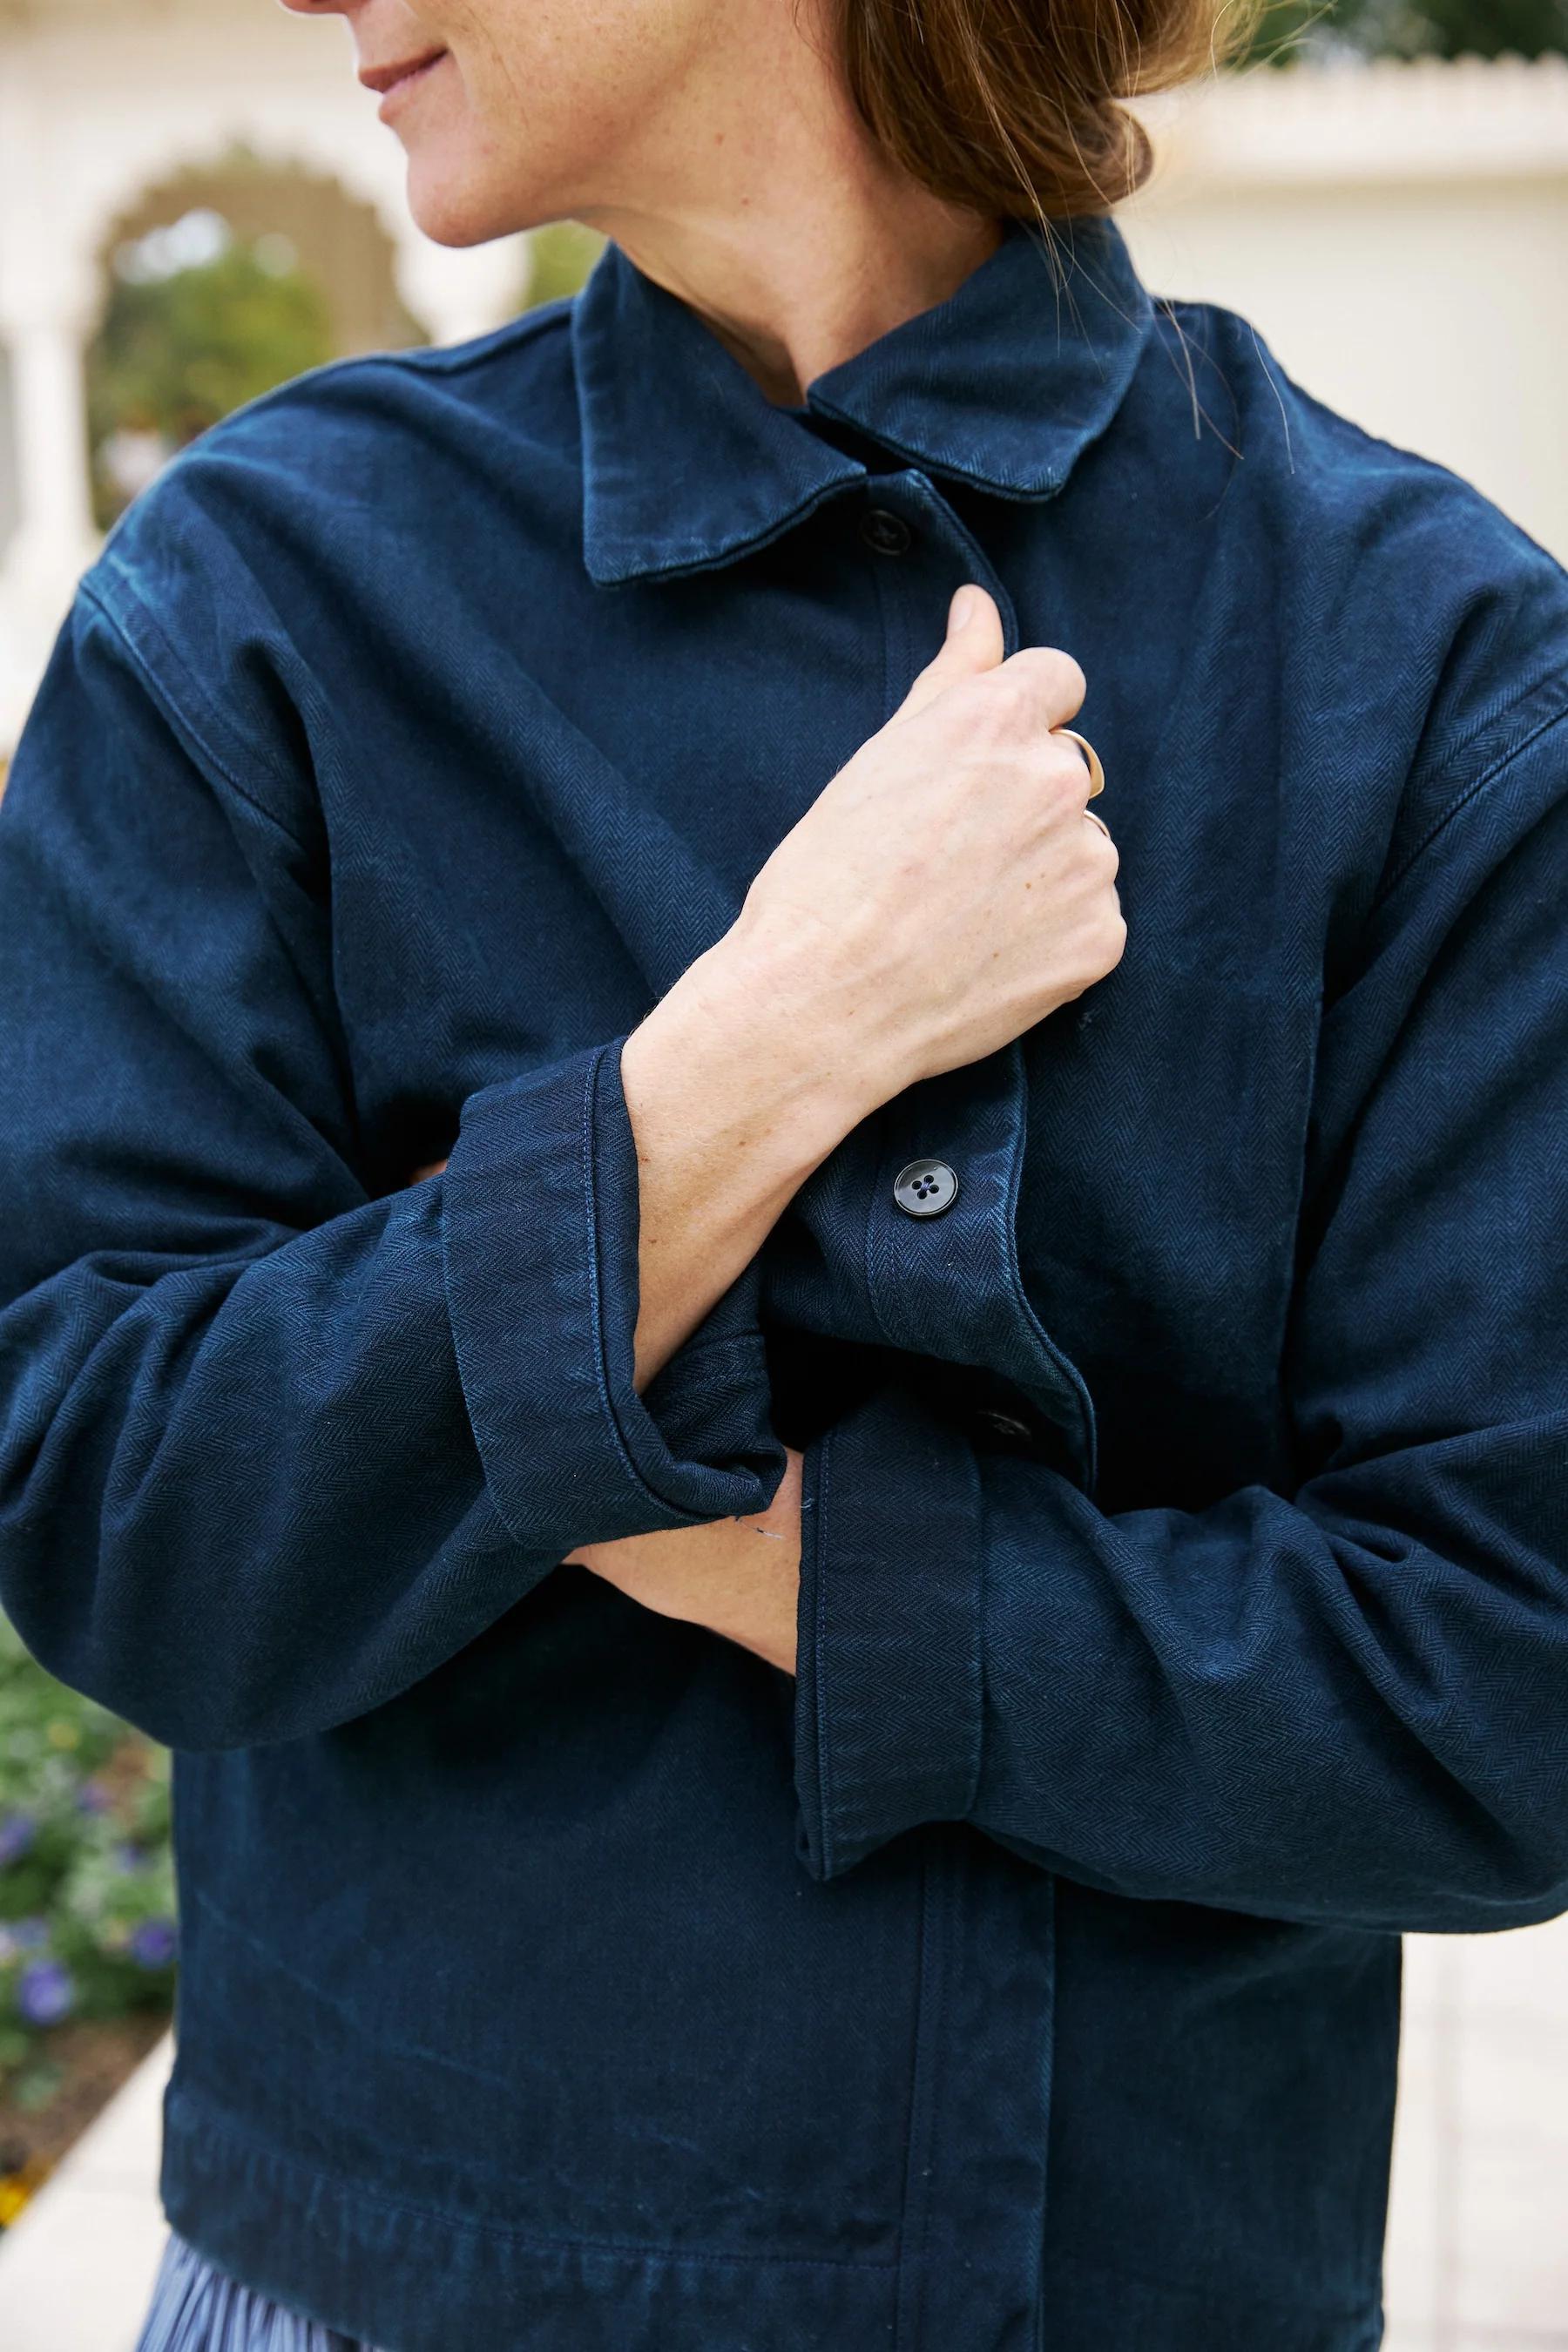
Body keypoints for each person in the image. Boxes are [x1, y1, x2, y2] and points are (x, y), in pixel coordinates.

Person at [2, 0, 1566, 2342]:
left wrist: (795, 1564)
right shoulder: (265, 592)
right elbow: (109, 1505)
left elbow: (1503, 1683)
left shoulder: (1428, 667)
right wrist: (754, 1062)